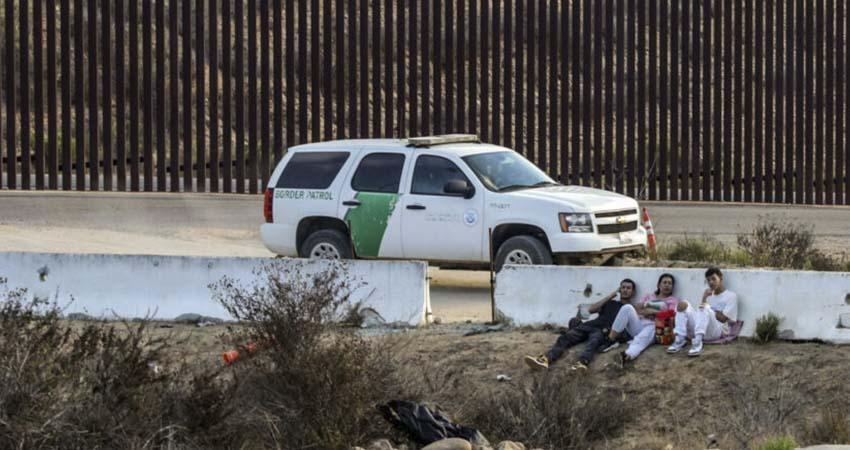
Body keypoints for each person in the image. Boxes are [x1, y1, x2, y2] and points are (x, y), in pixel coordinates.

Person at [523, 279, 636, 371]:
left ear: (633, 292)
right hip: (590, 325)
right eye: (623, 287)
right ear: (619, 289)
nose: (625, 290)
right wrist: (610, 296)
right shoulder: (611, 303)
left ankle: (582, 363)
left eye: (628, 288)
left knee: (593, 342)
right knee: (565, 337)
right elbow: (591, 310)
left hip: (602, 331)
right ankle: (545, 359)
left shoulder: (629, 310)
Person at [606, 273, 681, 365]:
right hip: (639, 325)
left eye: (670, 283)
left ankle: (627, 355)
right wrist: (651, 311)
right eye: (664, 282)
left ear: (672, 287)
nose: (667, 285)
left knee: (662, 306)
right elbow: (636, 309)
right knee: (627, 308)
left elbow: (670, 317)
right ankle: (609, 340)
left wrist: (649, 311)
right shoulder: (648, 296)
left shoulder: (673, 300)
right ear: (658, 285)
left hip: (657, 328)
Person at [667, 267, 738, 357]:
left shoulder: (731, 296)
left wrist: (708, 308)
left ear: (720, 278)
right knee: (682, 304)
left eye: (713, 279)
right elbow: (701, 314)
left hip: (716, 331)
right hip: (700, 331)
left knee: (705, 307)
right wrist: (704, 298)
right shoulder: (708, 294)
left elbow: (723, 319)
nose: (711, 282)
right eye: (708, 280)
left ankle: (697, 344)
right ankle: (679, 340)